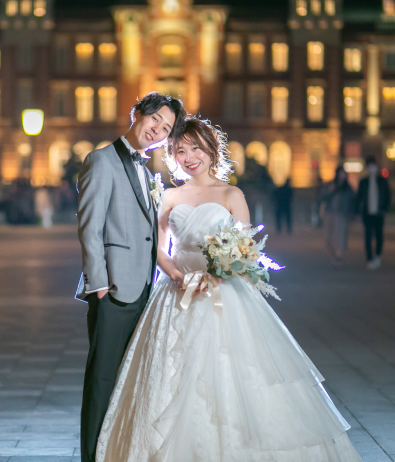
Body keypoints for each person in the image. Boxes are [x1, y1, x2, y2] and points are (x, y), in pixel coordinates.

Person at [96, 118, 361, 461]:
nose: (189, 157)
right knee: (169, 375)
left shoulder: (232, 194)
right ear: (172, 156)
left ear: (211, 150)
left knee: (236, 375)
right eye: (180, 150)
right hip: (177, 291)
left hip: (225, 292)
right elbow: (159, 249)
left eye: (195, 148)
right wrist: (178, 277)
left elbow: (246, 247)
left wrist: (220, 273)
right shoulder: (169, 196)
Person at [76, 92, 186, 462]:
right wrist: (101, 286)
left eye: (166, 128)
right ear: (137, 113)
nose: (157, 130)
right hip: (114, 290)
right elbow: (89, 228)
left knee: (129, 381)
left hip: (144, 291)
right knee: (103, 380)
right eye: (155, 119)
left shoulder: (148, 170)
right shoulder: (101, 161)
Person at [356, 156, 391, 270]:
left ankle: (377, 256)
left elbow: (387, 195)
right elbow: (359, 197)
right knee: (367, 236)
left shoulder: (381, 181)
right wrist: (357, 212)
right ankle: (369, 259)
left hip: (379, 213)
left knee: (379, 235)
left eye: (373, 165)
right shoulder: (364, 181)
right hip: (367, 213)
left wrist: (385, 209)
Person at [323, 166, 356, 268]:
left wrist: (353, 214)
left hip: (342, 214)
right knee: (328, 239)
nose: (342, 175)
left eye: (344, 173)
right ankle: (336, 255)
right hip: (330, 213)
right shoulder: (332, 185)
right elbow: (325, 198)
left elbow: (353, 202)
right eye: (340, 173)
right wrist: (331, 191)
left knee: (340, 236)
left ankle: (339, 257)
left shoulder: (348, 188)